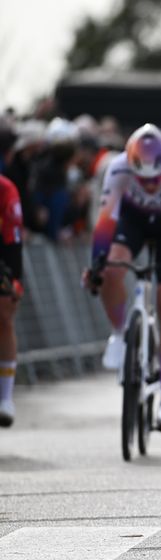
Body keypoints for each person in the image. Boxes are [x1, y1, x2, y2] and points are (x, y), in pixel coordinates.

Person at [83, 123, 161, 432]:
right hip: (132, 221)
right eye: (142, 178)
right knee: (111, 268)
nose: (149, 185)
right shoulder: (117, 167)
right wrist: (96, 266)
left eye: (155, 179)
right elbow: (105, 222)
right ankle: (119, 332)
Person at [0, 173, 24, 426]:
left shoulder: (5, 189)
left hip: (3, 250)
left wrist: (15, 279)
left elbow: (13, 240)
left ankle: (5, 397)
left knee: (4, 315)